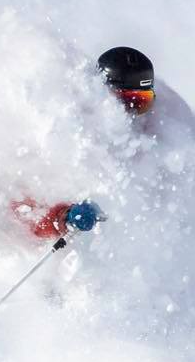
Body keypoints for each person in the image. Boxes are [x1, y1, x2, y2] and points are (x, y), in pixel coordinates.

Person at [10, 46, 154, 240]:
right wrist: (63, 218)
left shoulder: (148, 137)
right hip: (55, 256)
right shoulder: (62, 130)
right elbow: (23, 206)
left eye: (141, 101)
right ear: (102, 94)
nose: (131, 112)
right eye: (125, 100)